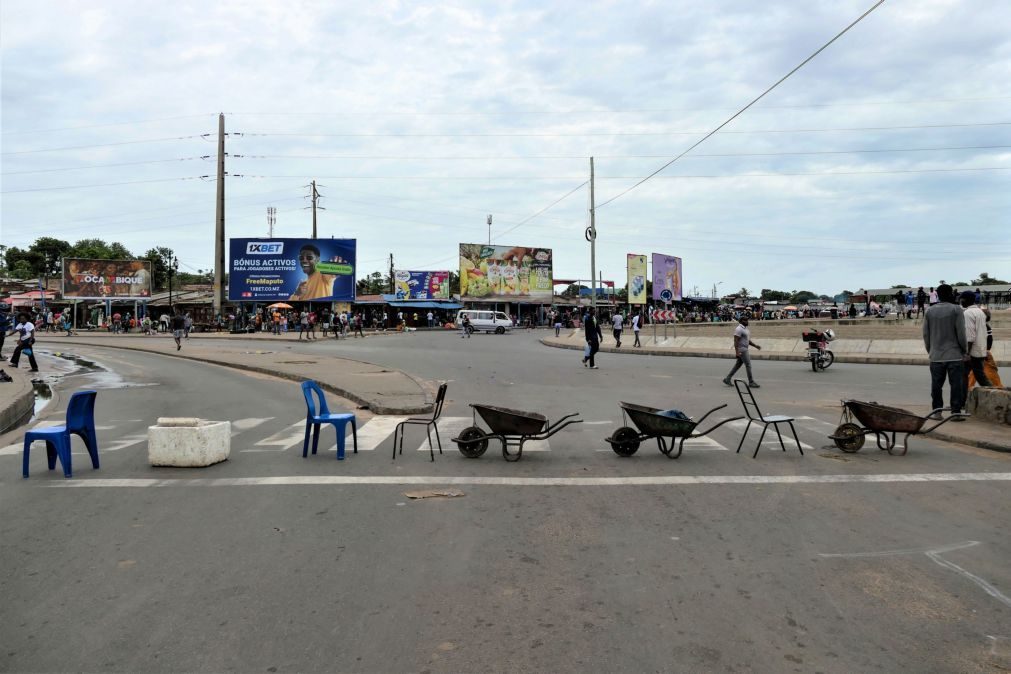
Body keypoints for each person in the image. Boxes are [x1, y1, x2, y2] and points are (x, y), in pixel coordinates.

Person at [922, 284, 967, 418]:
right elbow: (961, 333)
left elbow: (925, 334)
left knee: (936, 386)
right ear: (950, 294)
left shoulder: (930, 311)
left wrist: (930, 350)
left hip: (936, 356)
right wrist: (965, 350)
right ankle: (956, 412)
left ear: (938, 295)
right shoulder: (956, 309)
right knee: (956, 386)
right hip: (954, 355)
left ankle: (937, 412)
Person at [959, 291, 991, 390]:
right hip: (980, 350)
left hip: (972, 352)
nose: (960, 301)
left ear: (964, 300)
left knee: (962, 377)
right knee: (981, 376)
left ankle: (961, 402)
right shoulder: (980, 312)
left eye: (961, 299)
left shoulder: (968, 313)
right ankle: (994, 393)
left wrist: (967, 353)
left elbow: (970, 336)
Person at [722, 315, 762, 387]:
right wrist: (737, 352)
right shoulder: (739, 329)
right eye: (745, 320)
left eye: (747, 320)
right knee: (748, 365)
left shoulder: (745, 329)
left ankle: (727, 378)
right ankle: (751, 382)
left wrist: (755, 346)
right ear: (740, 321)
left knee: (737, 365)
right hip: (742, 350)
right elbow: (736, 341)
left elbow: (747, 340)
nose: (747, 321)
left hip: (744, 349)